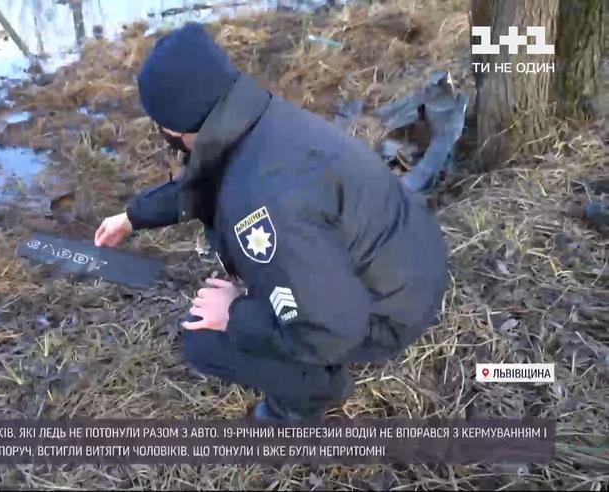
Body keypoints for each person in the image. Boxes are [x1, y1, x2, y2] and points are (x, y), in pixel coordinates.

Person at [94, 23, 448, 422]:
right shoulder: (256, 119)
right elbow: (207, 179)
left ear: (172, 128)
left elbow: (332, 329)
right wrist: (134, 216)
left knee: (204, 341)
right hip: (409, 255)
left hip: (391, 308)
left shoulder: (260, 200)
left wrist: (234, 315)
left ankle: (306, 397)